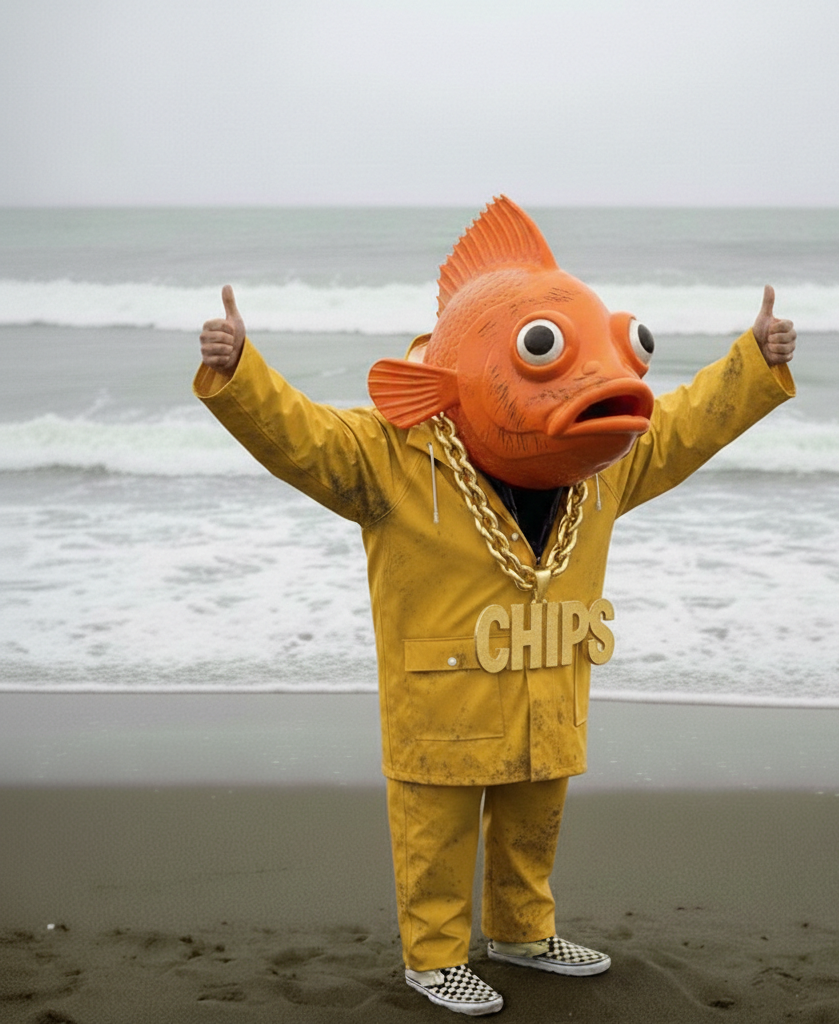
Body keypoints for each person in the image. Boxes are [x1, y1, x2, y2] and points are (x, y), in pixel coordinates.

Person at [195, 198, 795, 1016]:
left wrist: (753, 363)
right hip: (442, 699)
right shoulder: (389, 457)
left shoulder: (605, 460)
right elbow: (301, 437)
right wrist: (240, 373)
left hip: (546, 688)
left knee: (532, 821)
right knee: (435, 831)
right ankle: (433, 957)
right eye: (544, 349)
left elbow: (683, 426)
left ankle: (522, 932)